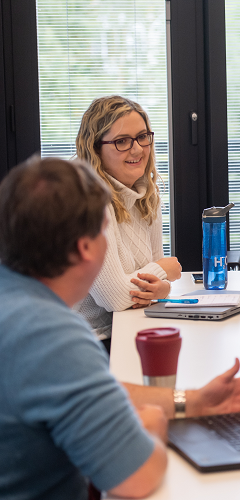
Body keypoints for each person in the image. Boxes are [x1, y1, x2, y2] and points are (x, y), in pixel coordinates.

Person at [0, 157, 240, 499]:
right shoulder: (53, 337)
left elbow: (90, 391)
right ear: (85, 248)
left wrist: (192, 402)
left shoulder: (18, 306)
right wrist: (153, 425)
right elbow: (138, 478)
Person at [75, 95, 182, 344]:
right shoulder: (87, 198)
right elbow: (114, 297)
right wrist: (162, 272)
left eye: (142, 136)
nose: (137, 149)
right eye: (122, 141)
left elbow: (156, 282)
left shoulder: (146, 192)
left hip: (125, 326)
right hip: (84, 341)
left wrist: (162, 286)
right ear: (95, 149)